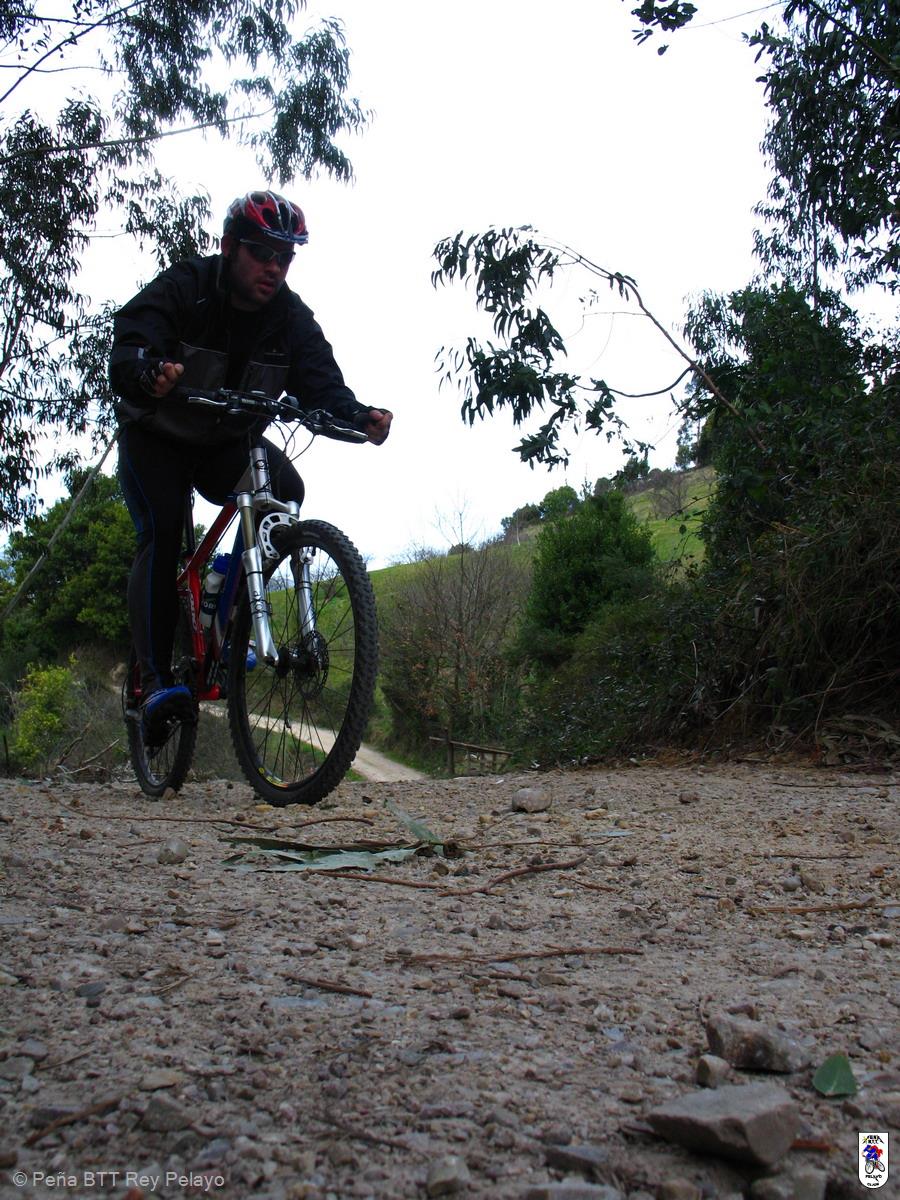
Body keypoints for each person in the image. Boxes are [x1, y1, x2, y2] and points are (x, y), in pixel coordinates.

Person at [110, 189, 392, 741]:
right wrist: (149, 372)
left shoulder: (290, 316)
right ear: (229, 246)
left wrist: (359, 416)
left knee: (285, 489)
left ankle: (226, 606)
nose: (274, 267)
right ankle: (155, 680)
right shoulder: (187, 286)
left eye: (285, 257)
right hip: (157, 437)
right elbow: (133, 342)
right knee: (162, 531)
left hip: (223, 443)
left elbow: (321, 382)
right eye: (261, 253)